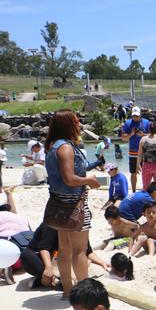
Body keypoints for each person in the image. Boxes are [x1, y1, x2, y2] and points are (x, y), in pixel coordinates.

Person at [43, 110, 100, 299]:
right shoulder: (66, 148)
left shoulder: (54, 146)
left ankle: (68, 290)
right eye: (76, 121)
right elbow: (69, 179)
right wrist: (89, 180)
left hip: (59, 205)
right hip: (73, 205)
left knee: (64, 250)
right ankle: (84, 294)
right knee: (79, 251)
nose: (79, 123)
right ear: (68, 124)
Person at [19, 223, 109, 290]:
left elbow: (88, 251)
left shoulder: (80, 227)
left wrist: (102, 263)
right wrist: (48, 267)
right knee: (25, 255)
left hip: (58, 261)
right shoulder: (51, 224)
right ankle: (52, 278)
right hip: (40, 258)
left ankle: (49, 281)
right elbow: (44, 248)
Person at [119, 106, 151, 193]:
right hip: (133, 152)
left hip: (145, 151)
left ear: (140, 115)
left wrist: (143, 134)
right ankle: (133, 191)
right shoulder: (128, 123)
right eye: (134, 116)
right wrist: (131, 134)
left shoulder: (146, 122)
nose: (135, 118)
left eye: (137, 116)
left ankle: (146, 190)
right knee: (133, 173)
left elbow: (152, 136)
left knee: (146, 173)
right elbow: (123, 138)